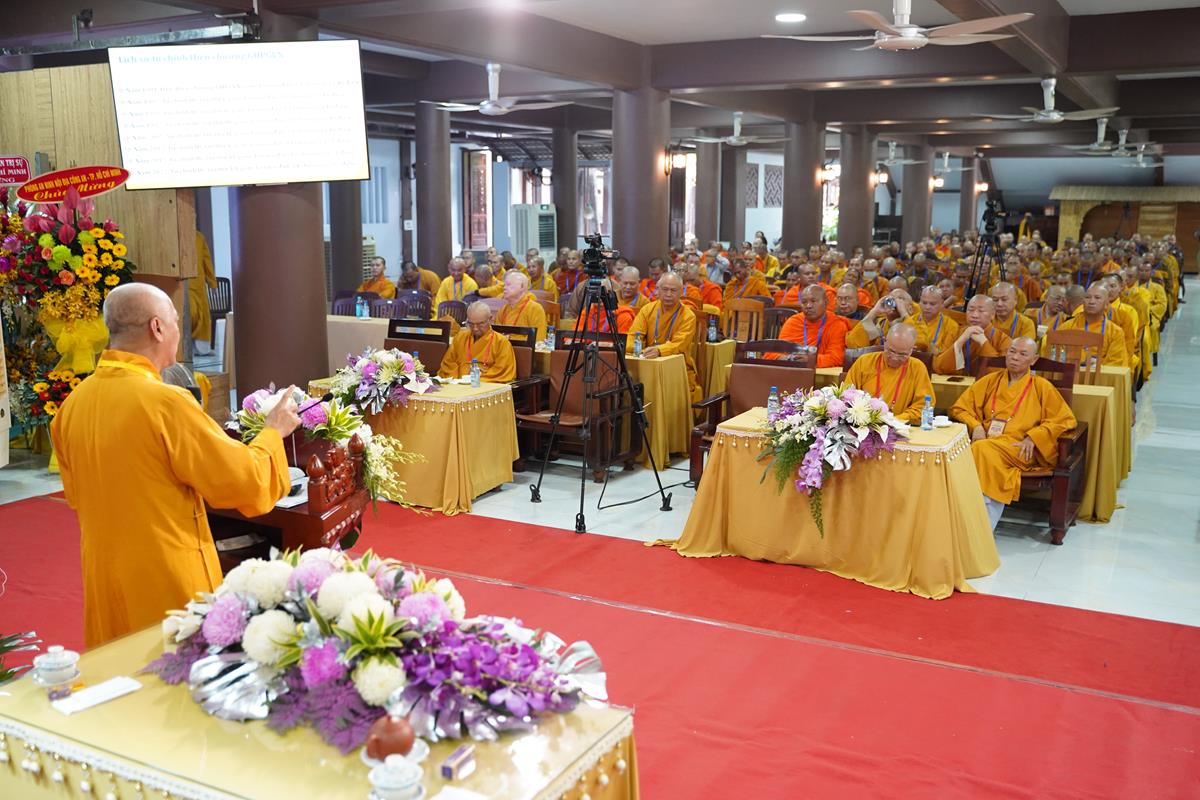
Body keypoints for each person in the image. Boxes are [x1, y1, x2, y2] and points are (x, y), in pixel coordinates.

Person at [51, 284, 298, 648]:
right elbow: (243, 480)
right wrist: (273, 432)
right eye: (175, 322)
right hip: (162, 576)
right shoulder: (164, 402)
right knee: (173, 666)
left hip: (105, 576)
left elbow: (77, 496)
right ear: (157, 328)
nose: (178, 332)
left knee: (118, 665)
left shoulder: (73, 404)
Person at [950, 337, 1077, 532]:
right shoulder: (990, 381)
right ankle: (980, 522)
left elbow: (1065, 420)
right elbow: (960, 408)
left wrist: (1034, 436)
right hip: (988, 443)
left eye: (1023, 354)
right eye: (1012, 351)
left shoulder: (1041, 386)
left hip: (1019, 448)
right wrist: (976, 426)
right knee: (982, 450)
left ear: (1034, 360)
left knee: (980, 449)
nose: (1015, 357)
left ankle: (978, 524)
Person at [841, 323, 934, 424]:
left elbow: (924, 405)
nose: (894, 358)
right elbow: (847, 395)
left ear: (912, 350)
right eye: (891, 351)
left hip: (899, 425)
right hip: (863, 424)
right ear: (885, 342)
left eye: (902, 354)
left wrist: (895, 420)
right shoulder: (864, 362)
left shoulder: (917, 368)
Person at [626, 272, 698, 397]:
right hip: (647, 363)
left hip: (676, 368)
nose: (668, 294)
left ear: (681, 292)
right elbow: (633, 335)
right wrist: (636, 349)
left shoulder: (688, 316)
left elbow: (679, 344)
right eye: (665, 289)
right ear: (657, 290)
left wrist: (659, 351)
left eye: (673, 290)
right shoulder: (647, 310)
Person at [1045, 283, 1128, 368]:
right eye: (1087, 297)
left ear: (1106, 304)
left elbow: (1115, 363)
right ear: (1082, 302)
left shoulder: (1115, 332)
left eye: (1097, 298)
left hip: (1101, 375)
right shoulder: (1067, 326)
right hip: (1070, 373)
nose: (1091, 301)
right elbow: (1055, 355)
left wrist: (1094, 366)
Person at [932, 295, 1011, 376]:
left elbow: (1001, 373)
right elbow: (938, 367)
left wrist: (984, 343)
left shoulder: (1003, 339)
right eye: (971, 310)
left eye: (981, 311)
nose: (974, 315)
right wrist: (959, 342)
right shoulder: (955, 333)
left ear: (992, 315)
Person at [438, 301, 516, 383]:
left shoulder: (501, 342)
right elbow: (448, 364)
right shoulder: (460, 337)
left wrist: (475, 379)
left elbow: (501, 371)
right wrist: (460, 379)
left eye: (480, 324)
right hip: (457, 382)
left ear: (490, 319)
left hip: (484, 384)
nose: (475, 328)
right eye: (471, 324)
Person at [777, 285, 848, 368]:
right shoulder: (793, 322)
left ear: (826, 302)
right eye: (804, 302)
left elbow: (836, 358)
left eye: (813, 301)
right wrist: (787, 359)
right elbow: (773, 352)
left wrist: (811, 360)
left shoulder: (837, 324)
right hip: (791, 370)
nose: (808, 306)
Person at [845, 289, 913, 348]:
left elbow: (913, 344)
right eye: (891, 299)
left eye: (900, 299)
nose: (895, 302)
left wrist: (904, 313)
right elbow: (853, 345)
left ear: (911, 308)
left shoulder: (917, 323)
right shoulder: (879, 325)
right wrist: (874, 311)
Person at [495, 271, 548, 342]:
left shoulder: (535, 309)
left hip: (525, 349)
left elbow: (539, 339)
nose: (504, 288)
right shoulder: (503, 310)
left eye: (508, 285)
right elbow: (496, 336)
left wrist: (510, 338)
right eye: (504, 285)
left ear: (522, 287)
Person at [906, 286, 960, 354]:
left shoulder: (951, 326)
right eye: (924, 303)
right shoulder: (909, 322)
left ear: (941, 303)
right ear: (919, 302)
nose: (927, 307)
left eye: (932, 304)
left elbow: (947, 354)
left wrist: (933, 350)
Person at [188, 231, 217, 355]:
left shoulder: (199, 237)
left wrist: (212, 282)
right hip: (184, 284)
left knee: (203, 316)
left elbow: (206, 260)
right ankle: (186, 348)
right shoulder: (175, 234)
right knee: (191, 313)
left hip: (199, 284)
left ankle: (202, 349)